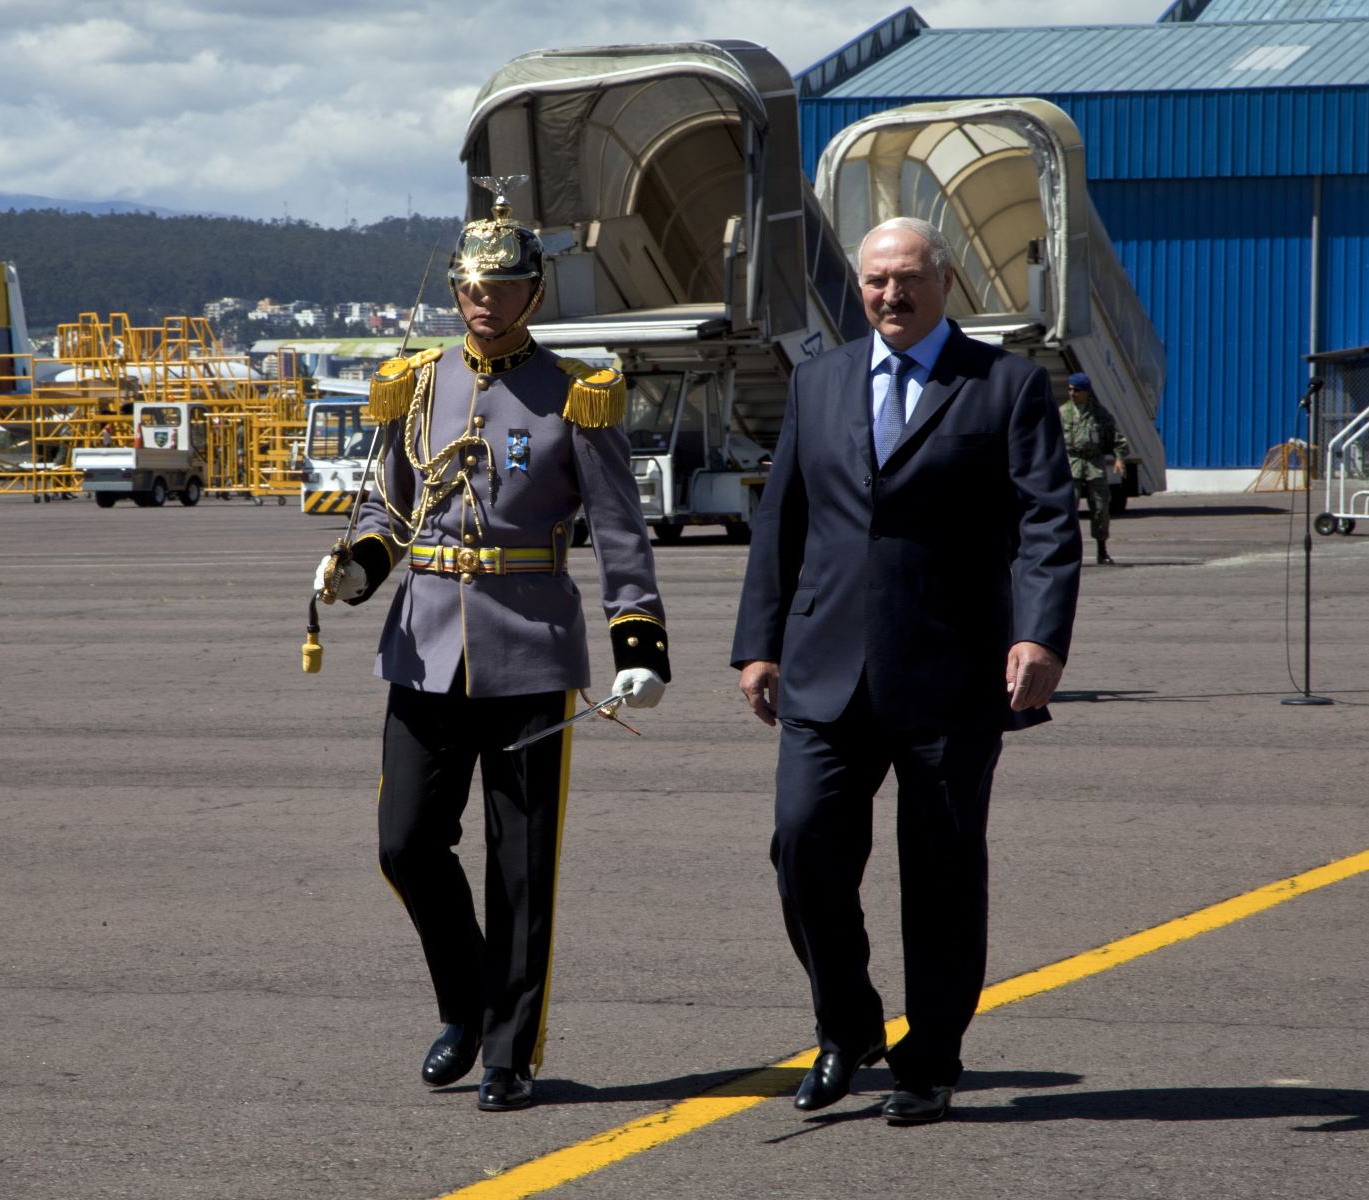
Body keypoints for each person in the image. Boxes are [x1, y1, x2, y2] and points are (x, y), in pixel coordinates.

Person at [312, 178, 670, 1113]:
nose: (481, 297)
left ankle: (510, 1049)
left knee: (521, 864)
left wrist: (640, 637)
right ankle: (466, 1002)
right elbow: (388, 502)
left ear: (532, 294)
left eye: (498, 284)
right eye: (469, 283)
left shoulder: (575, 397)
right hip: (427, 645)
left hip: (528, 650)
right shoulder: (417, 381)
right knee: (404, 845)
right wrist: (357, 566)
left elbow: (620, 529)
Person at [731, 216, 1080, 1125]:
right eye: (877, 280)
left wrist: (1040, 636)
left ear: (946, 281)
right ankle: (847, 1025)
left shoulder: (1005, 385)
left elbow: (1047, 521)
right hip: (824, 666)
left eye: (909, 279)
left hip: (951, 671)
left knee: (942, 874)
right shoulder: (819, 381)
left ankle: (930, 1059)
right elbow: (783, 525)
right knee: (802, 847)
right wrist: (757, 642)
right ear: (859, 285)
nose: (891, 295)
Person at [1061, 372, 1130, 565]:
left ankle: (1102, 550)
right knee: (1067, 509)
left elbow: (1116, 438)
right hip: (1071, 464)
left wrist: (1119, 458)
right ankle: (1068, 550)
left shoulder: (1100, 414)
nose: (1072, 393)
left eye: (1076, 390)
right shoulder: (1062, 413)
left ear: (1087, 392)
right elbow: (1050, 441)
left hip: (1094, 464)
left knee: (1100, 508)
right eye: (1070, 389)